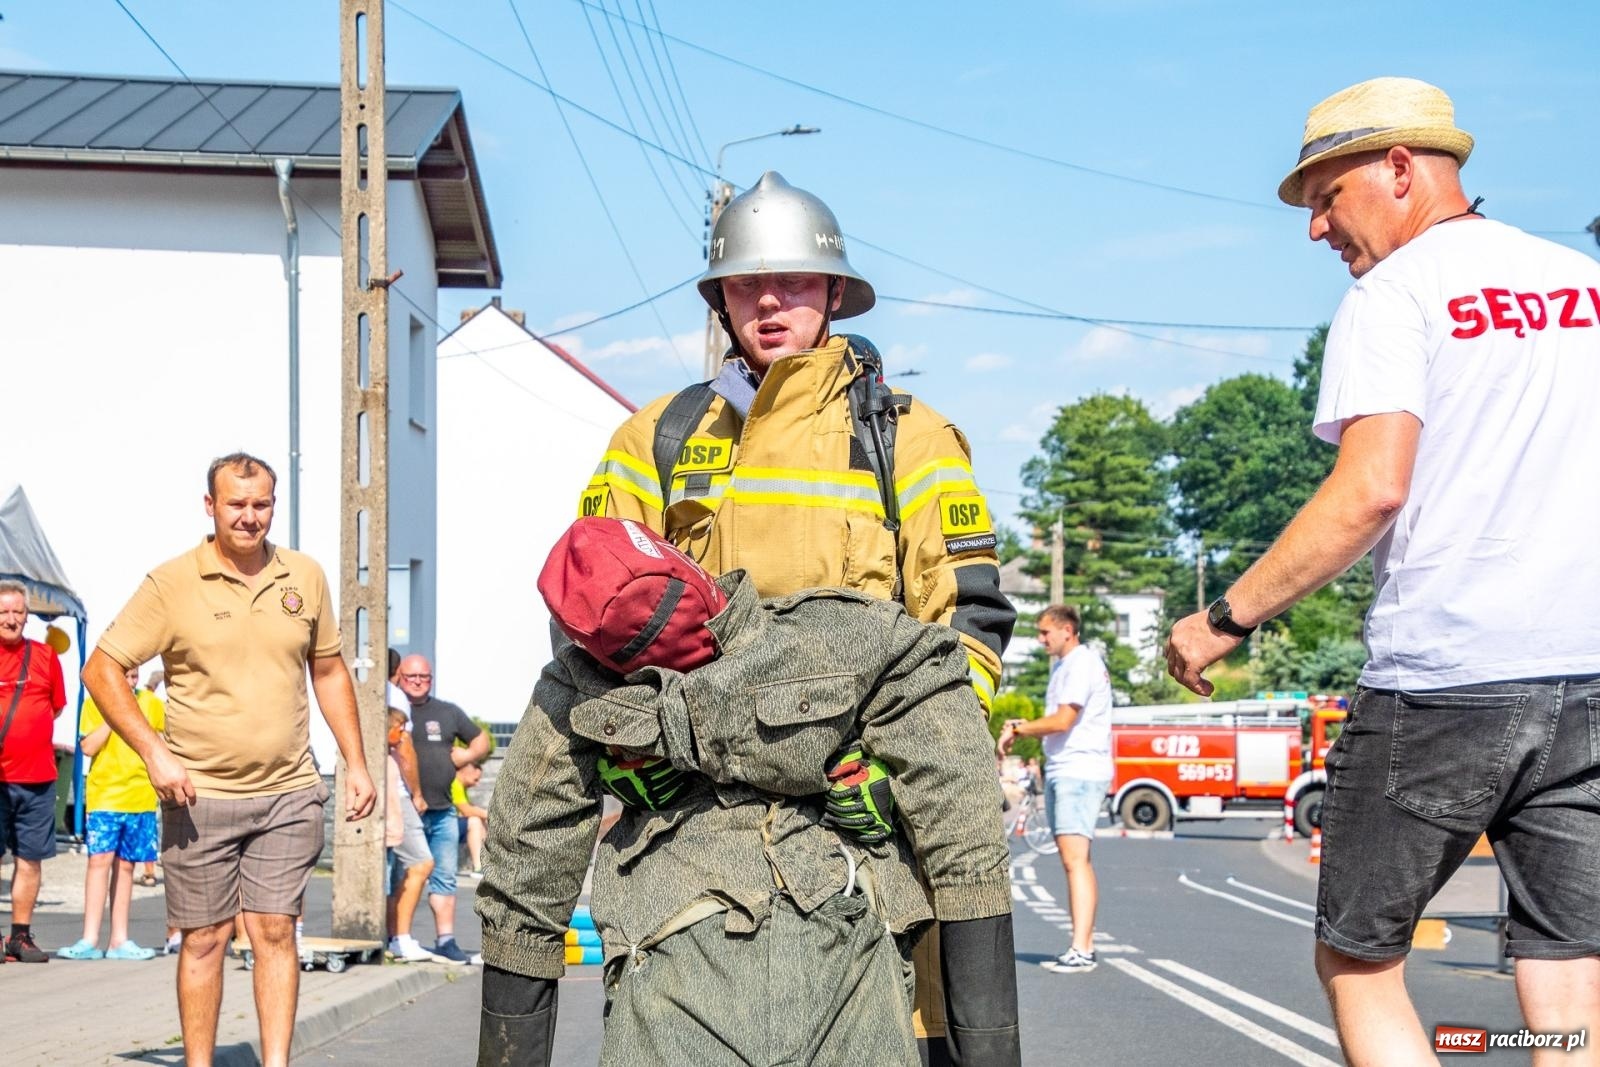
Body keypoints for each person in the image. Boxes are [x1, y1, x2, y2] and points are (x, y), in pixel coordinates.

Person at [1165, 76, 1600, 1067]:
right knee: (1566, 963)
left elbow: (1368, 491)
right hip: (1587, 675)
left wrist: (1221, 620)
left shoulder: (1395, 293)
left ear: (1399, 168)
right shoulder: (1580, 281)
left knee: (1359, 959)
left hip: (1444, 677)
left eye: (1326, 195)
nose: (1316, 228)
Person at [561, 169, 1016, 1062]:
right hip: (694, 822)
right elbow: (591, 607)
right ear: (719, 301)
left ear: (836, 292)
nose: (769, 303)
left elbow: (969, 621)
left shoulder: (910, 438)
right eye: (745, 285)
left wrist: (902, 774)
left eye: (796, 283)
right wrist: (625, 749)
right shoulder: (657, 437)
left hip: (864, 817)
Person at [477, 516, 1017, 1066]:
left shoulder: (860, 639)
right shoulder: (864, 638)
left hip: (817, 954)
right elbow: (966, 845)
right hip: (724, 959)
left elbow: (524, 870)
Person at [81, 451, 375, 1067]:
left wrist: (357, 762)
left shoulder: (305, 576)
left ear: (274, 504)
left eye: (261, 504)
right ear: (210, 506)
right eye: (236, 504)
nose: (249, 517)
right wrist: (153, 752)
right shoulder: (171, 583)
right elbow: (101, 668)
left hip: (289, 791)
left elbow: (327, 670)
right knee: (206, 938)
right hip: (198, 796)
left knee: (273, 932)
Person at [1000, 604, 1112, 975]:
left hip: (1079, 769)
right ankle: (1083, 945)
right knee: (1073, 860)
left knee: (1075, 860)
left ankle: (1083, 947)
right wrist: (1024, 726)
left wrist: (1019, 729)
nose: (1041, 639)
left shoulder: (1080, 664)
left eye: (1046, 632)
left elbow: (1064, 720)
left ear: (1068, 630)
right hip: (1070, 768)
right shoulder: (1068, 666)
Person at [58, 663, 164, 960]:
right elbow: (88, 747)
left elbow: (162, 741)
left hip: (139, 796)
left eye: (134, 676)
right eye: (124, 676)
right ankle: (89, 938)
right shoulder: (95, 704)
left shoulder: (152, 704)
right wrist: (114, 713)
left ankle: (119, 939)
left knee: (127, 865)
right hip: (105, 795)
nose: (130, 682)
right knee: (99, 861)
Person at [397, 653, 488, 964]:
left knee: (445, 877)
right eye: (411, 677)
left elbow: (482, 741)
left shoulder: (446, 712)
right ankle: (396, 938)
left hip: (443, 810)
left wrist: (463, 758)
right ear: (400, 677)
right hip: (406, 809)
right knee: (403, 877)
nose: (418, 682)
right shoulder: (395, 711)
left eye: (424, 677)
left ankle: (446, 941)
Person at [0, 578, 67, 964]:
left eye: (18, 612)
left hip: (38, 778)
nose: (11, 619)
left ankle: (20, 937)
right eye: (5, 611)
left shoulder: (44, 657)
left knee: (30, 859)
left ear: (27, 616)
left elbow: (55, 707)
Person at [383, 707, 438, 963]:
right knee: (421, 863)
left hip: (398, 812)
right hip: (398, 810)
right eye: (399, 727)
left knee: (396, 880)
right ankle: (400, 938)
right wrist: (416, 795)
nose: (404, 734)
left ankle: (396, 938)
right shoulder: (388, 755)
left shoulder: (392, 753)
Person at [451, 760, 487, 880]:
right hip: (445, 825)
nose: (477, 784)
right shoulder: (454, 784)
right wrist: (490, 814)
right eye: (475, 779)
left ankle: (485, 864)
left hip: (452, 824)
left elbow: (471, 807)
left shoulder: (461, 787)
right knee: (475, 821)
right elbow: (467, 810)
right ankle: (478, 867)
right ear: (465, 773)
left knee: (480, 820)